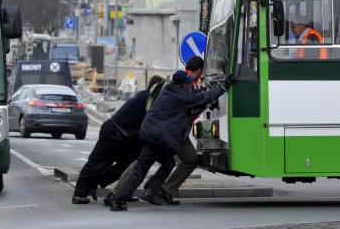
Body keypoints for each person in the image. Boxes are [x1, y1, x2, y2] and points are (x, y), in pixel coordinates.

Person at [109, 70, 236, 211]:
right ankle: (123, 198)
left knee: (165, 163)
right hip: (161, 137)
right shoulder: (180, 96)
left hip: (151, 133)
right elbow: (199, 99)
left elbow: (189, 105)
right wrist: (223, 88)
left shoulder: (168, 90)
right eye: (188, 83)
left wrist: (203, 98)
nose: (190, 85)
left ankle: (146, 191)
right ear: (181, 85)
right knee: (142, 169)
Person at [110, 56, 207, 206]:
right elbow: (188, 106)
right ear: (200, 71)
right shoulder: (183, 82)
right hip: (169, 130)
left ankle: (124, 193)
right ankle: (155, 191)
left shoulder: (178, 79)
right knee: (182, 159)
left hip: (166, 129)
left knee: (156, 162)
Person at [71, 75, 167, 205]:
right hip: (113, 133)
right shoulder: (145, 98)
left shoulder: (150, 99)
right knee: (96, 162)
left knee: (129, 165)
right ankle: (79, 194)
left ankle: (103, 183)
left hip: (126, 137)